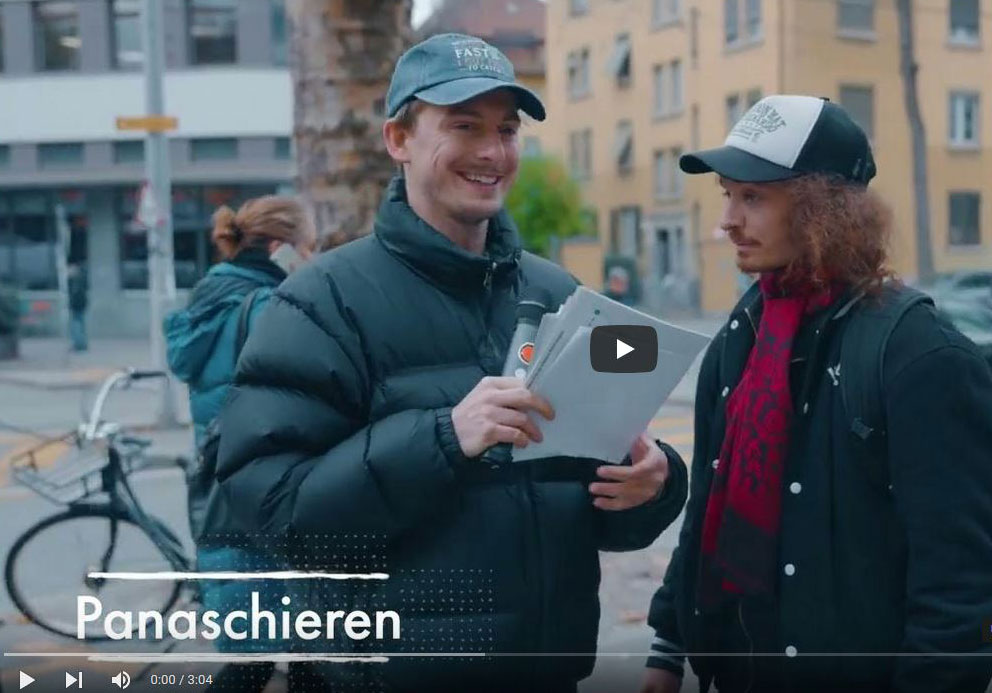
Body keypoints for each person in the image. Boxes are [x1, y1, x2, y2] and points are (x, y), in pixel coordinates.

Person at [216, 33, 689, 692]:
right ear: (398, 139)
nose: (493, 152)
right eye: (463, 126)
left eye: (506, 128)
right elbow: (273, 514)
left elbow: (595, 503)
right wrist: (442, 435)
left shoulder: (558, 295)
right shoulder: (321, 301)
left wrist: (654, 485)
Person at [641, 95, 992, 693]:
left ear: (823, 209)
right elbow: (708, 508)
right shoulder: (743, 332)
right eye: (727, 193)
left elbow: (958, 588)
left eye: (753, 197)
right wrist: (668, 647)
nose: (726, 220)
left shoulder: (919, 355)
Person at [163, 195, 316, 692]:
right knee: (297, 652)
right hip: (274, 497)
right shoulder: (271, 306)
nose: (312, 259)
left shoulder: (208, 299)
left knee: (257, 652)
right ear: (279, 248)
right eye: (308, 248)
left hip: (225, 499)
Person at [67, 263, 88, 352]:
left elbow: (76, 295)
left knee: (76, 326)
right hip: (80, 306)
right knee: (80, 326)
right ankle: (81, 344)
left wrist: (71, 305)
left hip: (77, 306)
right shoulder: (79, 280)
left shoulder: (75, 282)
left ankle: (79, 345)